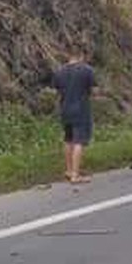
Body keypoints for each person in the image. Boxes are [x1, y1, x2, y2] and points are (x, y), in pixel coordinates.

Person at [52, 49, 97, 183]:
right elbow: (93, 90)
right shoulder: (87, 70)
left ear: (69, 56)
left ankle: (69, 170)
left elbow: (57, 91)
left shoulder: (59, 71)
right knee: (79, 141)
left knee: (68, 139)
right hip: (81, 110)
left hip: (65, 109)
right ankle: (75, 175)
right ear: (81, 56)